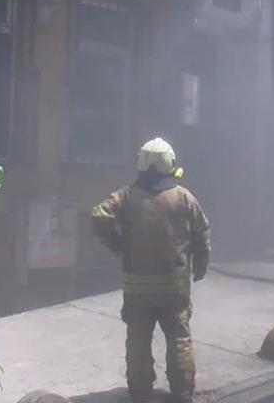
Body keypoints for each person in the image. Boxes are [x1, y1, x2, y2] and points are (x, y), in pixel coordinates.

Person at [91, 138, 211, 403]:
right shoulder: (183, 197)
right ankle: (182, 392)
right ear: (170, 164)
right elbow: (202, 232)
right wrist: (201, 262)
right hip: (174, 287)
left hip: (137, 288)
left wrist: (117, 244)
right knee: (179, 339)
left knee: (138, 341)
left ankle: (140, 393)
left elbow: (99, 215)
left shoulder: (126, 195)